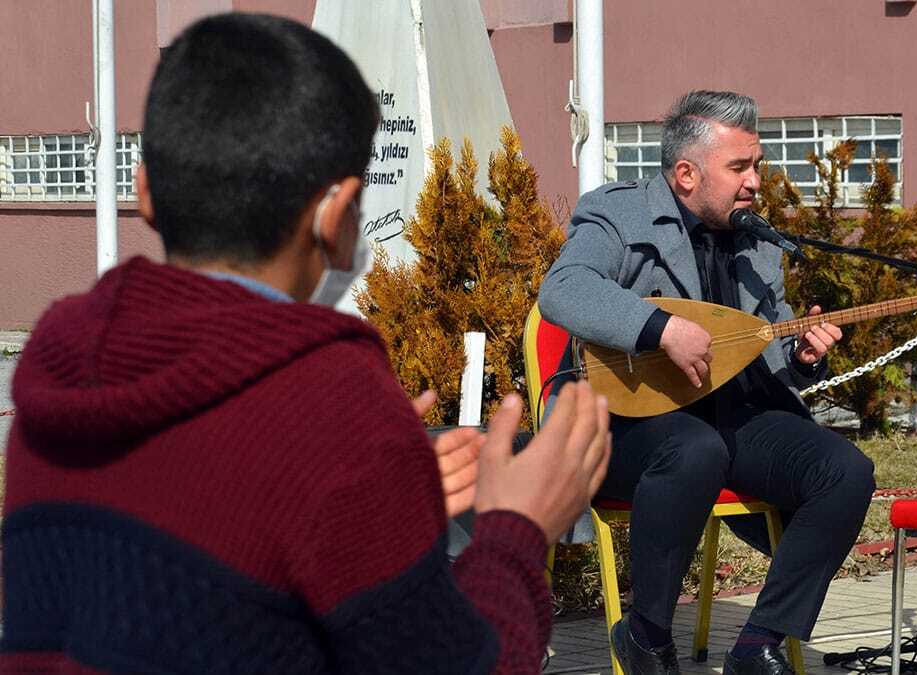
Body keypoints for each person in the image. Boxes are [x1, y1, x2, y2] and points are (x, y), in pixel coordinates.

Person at [1, 13, 610, 675]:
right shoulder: (330, 400)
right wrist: (518, 530)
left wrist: (373, 502)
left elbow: (192, 580)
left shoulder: (57, 379)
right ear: (338, 217)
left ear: (144, 191)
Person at [538, 90, 875, 675]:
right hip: (621, 423)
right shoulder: (617, 214)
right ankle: (646, 636)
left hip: (729, 415)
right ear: (687, 174)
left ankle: (758, 644)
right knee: (695, 450)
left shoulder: (756, 242)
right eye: (739, 167)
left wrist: (801, 357)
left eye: (757, 165)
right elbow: (564, 289)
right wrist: (660, 328)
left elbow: (762, 354)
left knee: (844, 470)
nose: (755, 182)